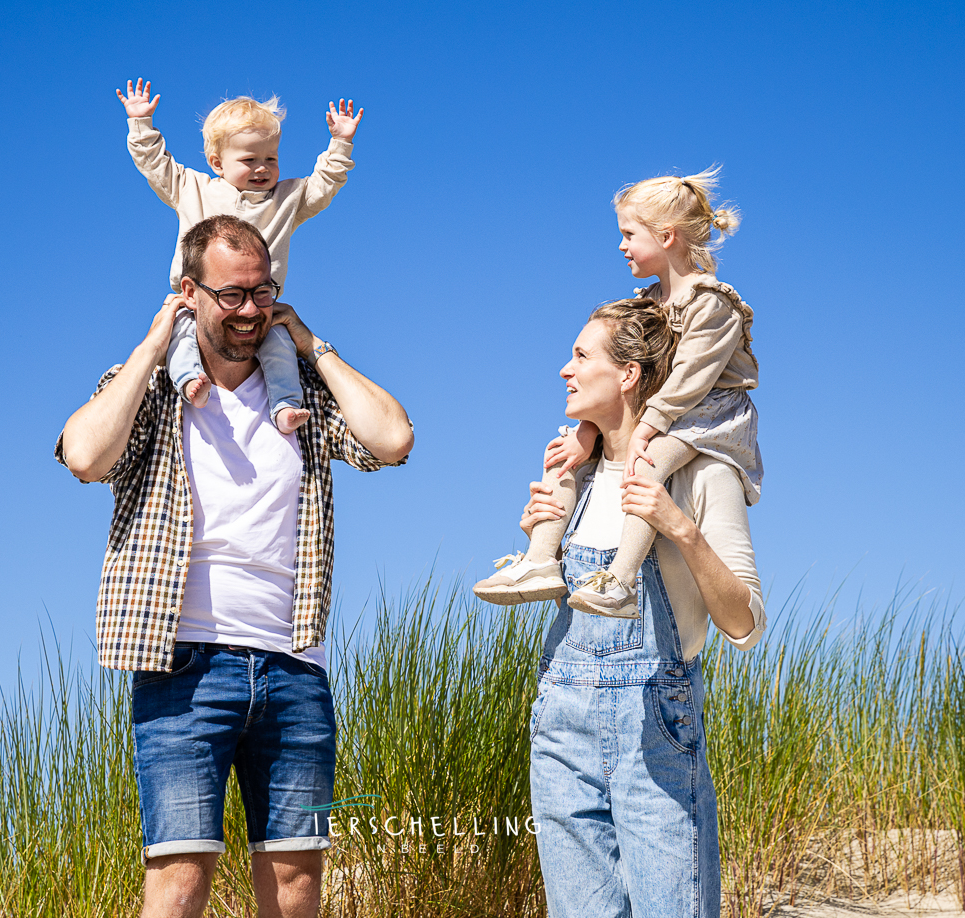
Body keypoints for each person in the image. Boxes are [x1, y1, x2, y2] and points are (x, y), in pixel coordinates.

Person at [55, 216, 412, 918]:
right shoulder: (151, 391)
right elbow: (85, 457)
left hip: (294, 666)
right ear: (190, 290)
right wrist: (157, 341)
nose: (250, 311)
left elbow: (393, 439)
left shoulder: (301, 395)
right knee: (181, 877)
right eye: (231, 295)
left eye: (263, 293)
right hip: (182, 666)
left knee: (297, 884)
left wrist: (313, 344)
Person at [521, 298, 766, 918]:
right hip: (560, 722)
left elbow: (746, 622)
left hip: (653, 724)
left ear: (628, 375)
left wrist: (679, 529)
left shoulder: (702, 475)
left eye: (580, 356)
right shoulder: (570, 471)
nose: (564, 372)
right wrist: (537, 544)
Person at [474, 168, 760, 618]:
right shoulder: (649, 304)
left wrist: (647, 428)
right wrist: (586, 432)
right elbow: (636, 378)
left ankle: (622, 579)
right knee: (565, 450)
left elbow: (689, 378)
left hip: (705, 416)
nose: (621, 245)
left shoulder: (712, 302)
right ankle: (541, 561)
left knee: (648, 462)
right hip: (661, 413)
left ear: (666, 237)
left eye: (629, 234)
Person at [116, 78, 364, 434]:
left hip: (260, 306)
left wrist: (340, 143)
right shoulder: (192, 188)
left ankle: (285, 407)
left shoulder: (286, 199)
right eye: (249, 159)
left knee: (279, 348)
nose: (262, 168)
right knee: (180, 335)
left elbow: (324, 184)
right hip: (196, 304)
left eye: (271, 158)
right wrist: (141, 123)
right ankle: (189, 381)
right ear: (217, 162)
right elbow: (156, 164)